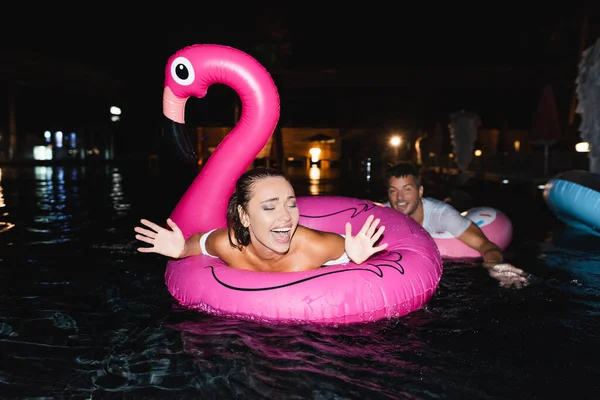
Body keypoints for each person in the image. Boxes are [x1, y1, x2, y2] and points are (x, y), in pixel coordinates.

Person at [135, 167, 388, 273]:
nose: (286, 217)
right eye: (269, 207)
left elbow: (352, 256)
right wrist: (181, 250)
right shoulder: (230, 245)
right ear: (244, 216)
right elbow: (202, 242)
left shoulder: (314, 247)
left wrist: (351, 258)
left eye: (291, 204)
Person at [383, 162, 529, 288]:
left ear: (420, 191)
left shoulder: (443, 215)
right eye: (393, 191)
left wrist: (496, 267)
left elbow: (486, 245)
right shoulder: (382, 213)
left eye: (407, 189)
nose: (400, 198)